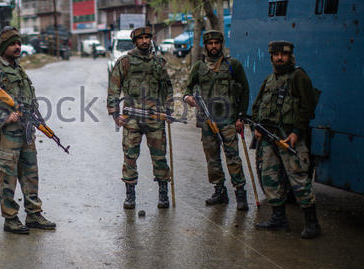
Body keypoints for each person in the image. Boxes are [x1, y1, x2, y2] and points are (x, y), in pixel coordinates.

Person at [0, 27, 56, 234]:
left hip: (26, 132)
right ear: (4, 47)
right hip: (8, 135)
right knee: (8, 177)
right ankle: (10, 218)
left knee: (31, 174)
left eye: (19, 43)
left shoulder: (18, 69)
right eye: (12, 44)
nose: (17, 47)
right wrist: (5, 117)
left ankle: (33, 214)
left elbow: (28, 98)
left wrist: (36, 120)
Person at [251, 41, 321, 239]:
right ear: (271, 57)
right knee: (270, 179)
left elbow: (307, 107)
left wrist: (297, 132)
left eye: (284, 54)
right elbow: (257, 105)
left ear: (291, 56)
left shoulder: (299, 76)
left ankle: (312, 223)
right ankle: (278, 218)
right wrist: (256, 126)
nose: (279, 58)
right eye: (276, 54)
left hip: (290, 138)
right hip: (268, 138)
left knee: (299, 179)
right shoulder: (270, 79)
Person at [107, 26, 173, 209]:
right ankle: (130, 195)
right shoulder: (125, 62)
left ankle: (163, 193)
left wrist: (168, 109)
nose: (144, 41)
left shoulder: (159, 62)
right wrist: (115, 114)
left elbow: (167, 88)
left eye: (147, 37)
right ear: (134, 41)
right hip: (132, 118)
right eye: (140, 38)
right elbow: (113, 88)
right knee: (130, 157)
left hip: (155, 117)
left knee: (159, 157)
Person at [183, 30, 251, 210]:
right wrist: (188, 98)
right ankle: (219, 191)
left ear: (221, 44)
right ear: (205, 46)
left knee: (233, 157)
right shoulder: (199, 67)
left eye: (216, 43)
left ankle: (240, 194)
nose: (213, 46)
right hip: (207, 120)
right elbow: (187, 89)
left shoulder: (232, 65)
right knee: (212, 158)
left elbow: (244, 91)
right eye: (210, 43)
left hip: (228, 120)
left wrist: (241, 117)